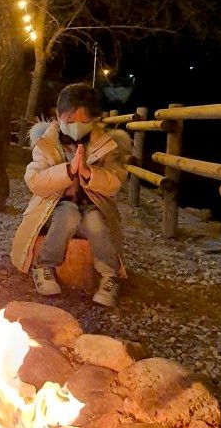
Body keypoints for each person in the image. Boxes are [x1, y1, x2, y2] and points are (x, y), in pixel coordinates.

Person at [10, 83, 131, 308]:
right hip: (54, 206)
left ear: (95, 119)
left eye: (84, 122)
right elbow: (35, 181)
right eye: (70, 121)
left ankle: (109, 276)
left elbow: (114, 182)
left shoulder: (104, 144)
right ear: (58, 116)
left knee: (95, 222)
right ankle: (43, 266)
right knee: (69, 215)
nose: (77, 127)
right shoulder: (47, 144)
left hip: (93, 205)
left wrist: (88, 172)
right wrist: (67, 171)